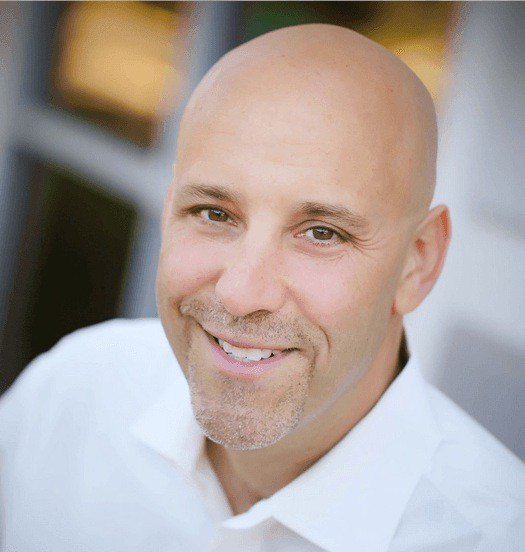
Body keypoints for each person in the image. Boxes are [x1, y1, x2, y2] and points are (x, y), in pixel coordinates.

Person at [0, 23, 523, 552]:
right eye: (214, 213)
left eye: (321, 233)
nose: (241, 294)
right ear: (169, 210)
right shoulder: (73, 394)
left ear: (418, 263)